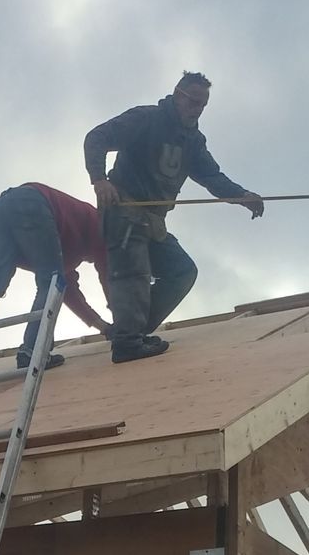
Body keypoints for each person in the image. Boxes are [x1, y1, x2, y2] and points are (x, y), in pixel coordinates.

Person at [84, 71, 264, 363]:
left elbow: (211, 176)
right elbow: (96, 138)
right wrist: (99, 180)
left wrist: (242, 195)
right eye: (193, 102)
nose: (197, 110)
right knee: (133, 274)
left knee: (181, 271)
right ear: (178, 96)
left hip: (153, 220)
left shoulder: (192, 141)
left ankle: (131, 332)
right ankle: (128, 343)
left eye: (203, 105)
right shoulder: (146, 119)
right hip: (124, 210)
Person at [0, 182, 112, 375]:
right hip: (32, 202)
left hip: (2, 206)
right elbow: (109, 278)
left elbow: (67, 292)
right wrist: (122, 322)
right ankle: (32, 352)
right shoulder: (100, 227)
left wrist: (102, 326)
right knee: (50, 283)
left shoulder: (68, 251)